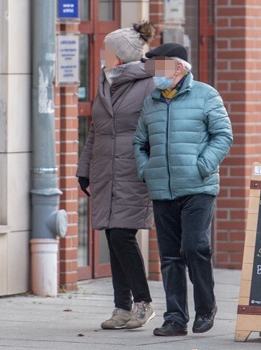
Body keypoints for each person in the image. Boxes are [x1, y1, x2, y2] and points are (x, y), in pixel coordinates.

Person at [133, 43, 233, 336]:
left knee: (194, 247)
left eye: (157, 67)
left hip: (198, 188)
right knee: (170, 257)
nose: (152, 74)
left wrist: (202, 166)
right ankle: (175, 318)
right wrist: (146, 170)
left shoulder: (205, 94)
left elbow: (223, 135)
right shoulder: (151, 101)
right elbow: (139, 142)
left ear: (178, 68)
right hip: (163, 189)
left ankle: (206, 307)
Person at [76, 22, 157, 330]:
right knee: (113, 235)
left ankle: (143, 303)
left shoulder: (151, 81)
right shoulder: (105, 81)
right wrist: (84, 170)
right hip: (104, 171)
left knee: (123, 233)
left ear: (123, 55)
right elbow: (95, 131)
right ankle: (121, 308)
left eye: (109, 50)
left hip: (133, 170)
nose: (103, 54)